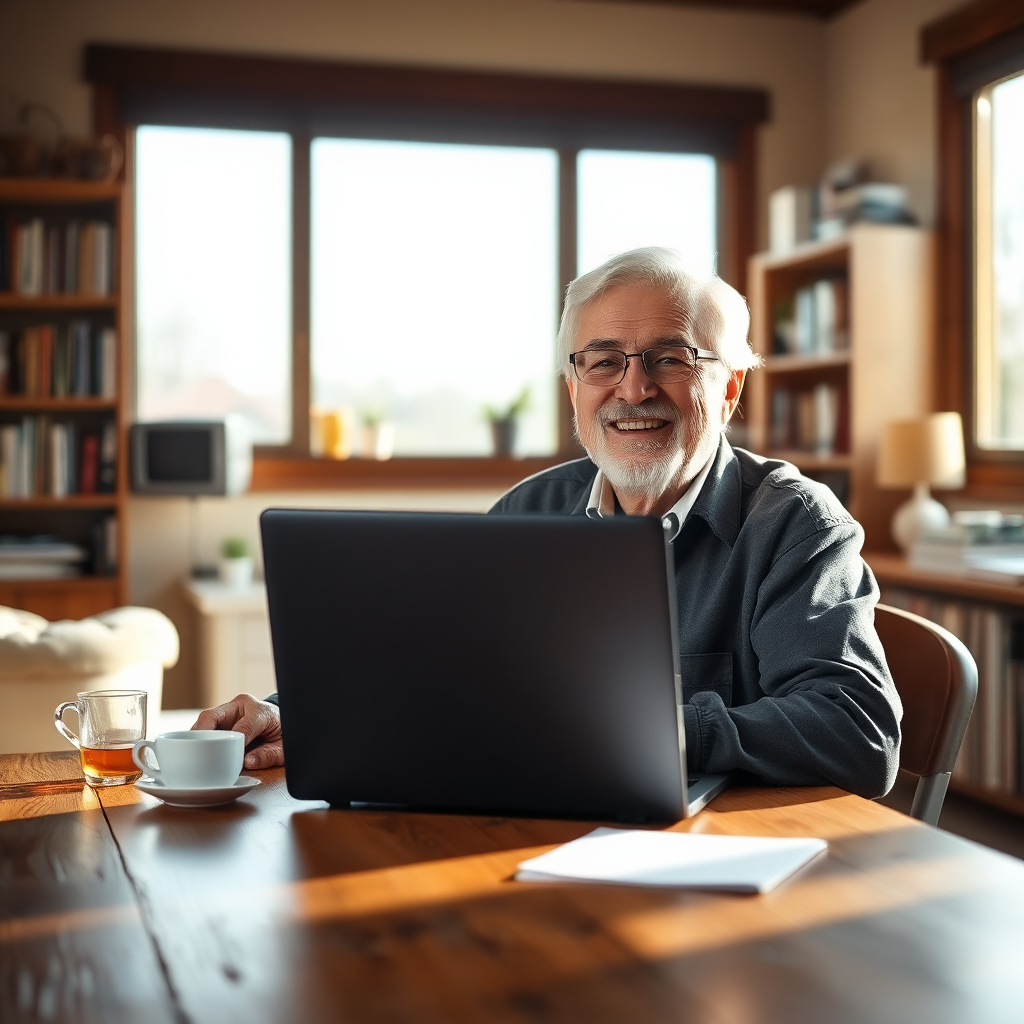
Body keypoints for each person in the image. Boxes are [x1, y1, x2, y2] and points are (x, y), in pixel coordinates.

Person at [197, 247, 901, 798]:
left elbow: (856, 731)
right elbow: (427, 669)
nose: (634, 387)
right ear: (574, 389)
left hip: (714, 875)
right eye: (603, 362)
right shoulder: (528, 511)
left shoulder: (796, 525)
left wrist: (633, 727)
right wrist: (292, 714)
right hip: (533, 841)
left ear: (731, 388)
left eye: (670, 358)